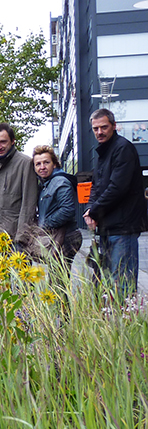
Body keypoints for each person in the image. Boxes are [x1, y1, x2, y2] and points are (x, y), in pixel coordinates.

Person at [84, 108, 148, 297]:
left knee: (122, 285)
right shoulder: (104, 152)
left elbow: (117, 188)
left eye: (104, 127)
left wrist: (94, 211)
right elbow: (96, 186)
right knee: (109, 283)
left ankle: (126, 323)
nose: (99, 132)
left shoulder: (122, 148)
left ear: (114, 126)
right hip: (109, 227)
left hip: (123, 228)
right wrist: (90, 210)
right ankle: (114, 323)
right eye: (96, 128)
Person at [31, 145, 81, 262]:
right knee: (56, 276)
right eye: (38, 164)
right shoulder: (45, 184)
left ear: (54, 164)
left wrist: (45, 224)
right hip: (57, 236)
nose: (42, 167)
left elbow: (67, 210)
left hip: (66, 236)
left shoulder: (60, 181)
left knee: (58, 278)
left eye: (46, 162)